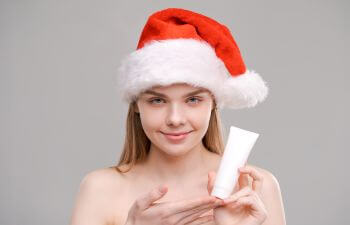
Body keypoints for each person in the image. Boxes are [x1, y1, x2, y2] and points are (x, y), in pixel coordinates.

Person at [70, 8, 286, 225]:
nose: (175, 119)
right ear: (136, 104)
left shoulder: (256, 189)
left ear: (213, 103)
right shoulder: (99, 190)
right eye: (157, 100)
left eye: (192, 100)